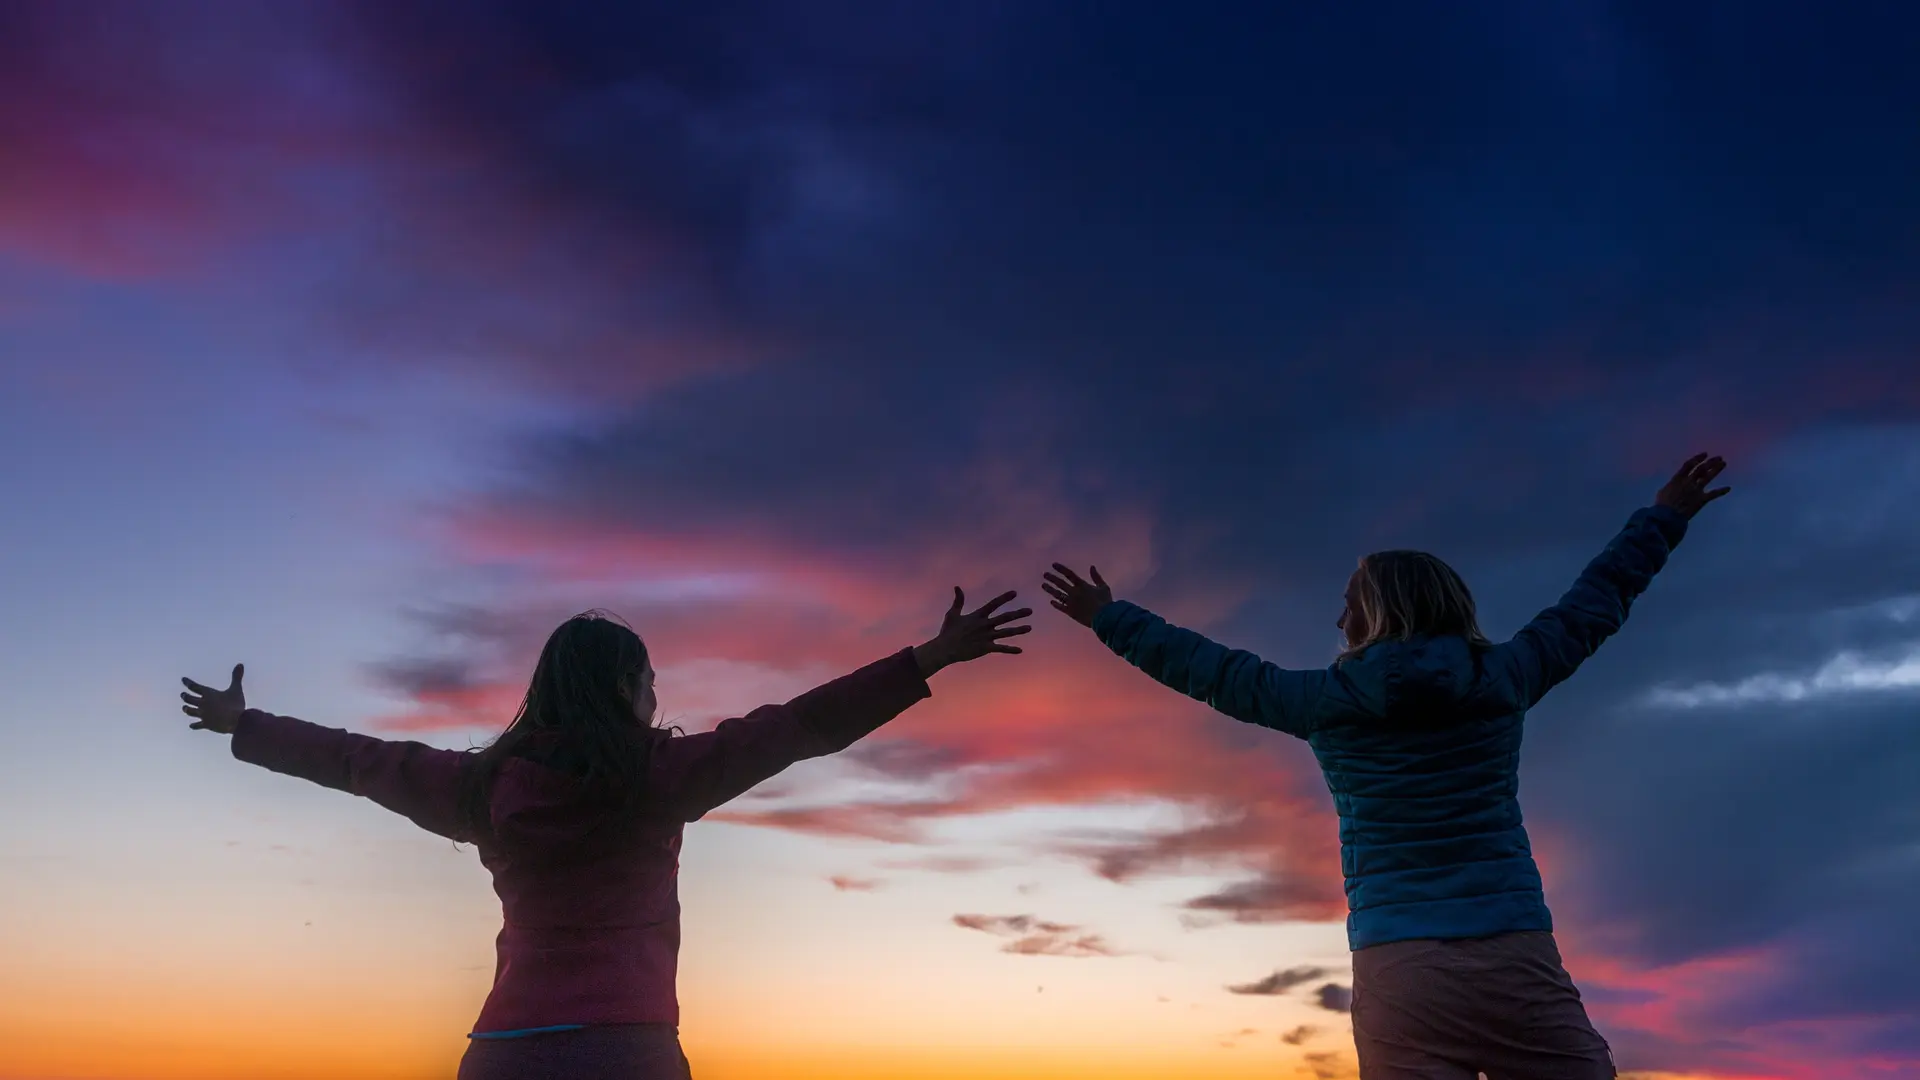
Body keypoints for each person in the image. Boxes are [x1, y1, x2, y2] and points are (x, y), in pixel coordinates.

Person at [1042, 453, 1731, 1080]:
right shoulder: (1506, 676)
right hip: (1511, 952)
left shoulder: (1323, 702)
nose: (1339, 617)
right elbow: (1594, 603)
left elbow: (1212, 672)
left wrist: (1112, 618)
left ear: (1374, 612)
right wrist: (1664, 518)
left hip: (1398, 967)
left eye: (1350, 602)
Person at [179, 587, 1031, 1080]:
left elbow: (359, 760)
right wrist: (926, 659)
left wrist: (246, 726)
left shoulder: (481, 786)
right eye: (651, 681)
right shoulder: (659, 777)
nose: (657, 696)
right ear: (629, 685)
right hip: (628, 1049)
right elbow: (799, 725)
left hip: (503, 1051)